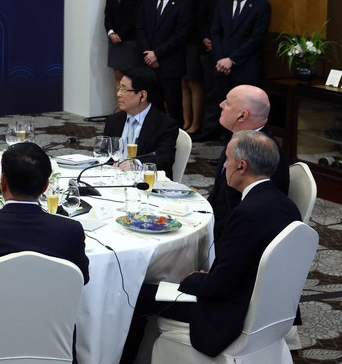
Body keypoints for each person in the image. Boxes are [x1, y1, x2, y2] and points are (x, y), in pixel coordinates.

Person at [120, 131, 301, 362]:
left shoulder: (246, 214)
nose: (225, 165)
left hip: (231, 316)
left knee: (137, 296)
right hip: (269, 313)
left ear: (242, 167)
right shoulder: (287, 206)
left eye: (227, 160)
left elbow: (219, 286)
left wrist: (190, 279)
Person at [0, 141, 89, 364]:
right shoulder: (70, 231)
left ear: (2, 181)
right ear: (45, 186)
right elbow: (82, 278)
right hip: (53, 343)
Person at [208, 85, 290, 243]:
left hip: (236, 236)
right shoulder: (241, 138)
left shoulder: (261, 152)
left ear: (242, 115)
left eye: (228, 103)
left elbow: (254, 212)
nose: (221, 104)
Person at [207, 0, 272, 140]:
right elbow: (215, 31)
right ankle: (226, 152)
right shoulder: (224, 2)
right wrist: (220, 58)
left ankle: (243, 151)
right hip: (222, 66)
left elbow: (256, 38)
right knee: (225, 111)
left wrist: (232, 59)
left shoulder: (261, 5)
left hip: (245, 68)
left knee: (244, 115)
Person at [136, 0, 192, 126]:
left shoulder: (183, 4)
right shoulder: (149, 1)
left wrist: (157, 54)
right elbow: (139, 28)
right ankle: (153, 139)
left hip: (170, 63)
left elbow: (180, 35)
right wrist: (148, 53)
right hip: (148, 63)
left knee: (173, 107)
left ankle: (175, 142)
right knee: (152, 105)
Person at [195, 0, 241, 141]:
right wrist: (206, 37)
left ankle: (225, 133)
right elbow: (202, 14)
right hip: (209, 46)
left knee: (228, 94)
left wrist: (223, 48)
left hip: (229, 50)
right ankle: (209, 129)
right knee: (211, 90)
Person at [102, 67, 178, 178]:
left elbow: (164, 158)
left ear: (142, 96)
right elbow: (104, 155)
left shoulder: (165, 125)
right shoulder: (114, 121)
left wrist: (136, 164)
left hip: (145, 185)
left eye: (124, 89)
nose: (118, 94)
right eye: (119, 88)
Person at [104, 0, 147, 89]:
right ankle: (119, 108)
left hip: (129, 39)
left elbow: (136, 16)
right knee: (117, 75)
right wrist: (111, 32)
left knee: (130, 77)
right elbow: (108, 13)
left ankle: (130, 108)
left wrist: (120, 35)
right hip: (114, 39)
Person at [180, 0, 206, 135]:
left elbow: (201, 16)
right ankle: (186, 120)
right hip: (179, 42)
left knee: (194, 83)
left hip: (194, 42)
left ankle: (196, 122)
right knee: (182, 82)